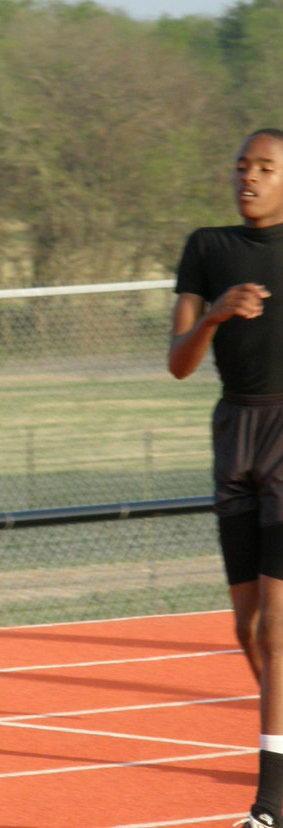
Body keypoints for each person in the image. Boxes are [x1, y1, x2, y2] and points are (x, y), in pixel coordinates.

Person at [169, 128, 283, 828]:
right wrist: (214, 313)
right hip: (232, 435)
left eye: (266, 168)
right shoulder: (206, 248)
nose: (248, 177)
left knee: (276, 629)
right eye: (241, 165)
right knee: (246, 629)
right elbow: (179, 362)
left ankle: (270, 804)